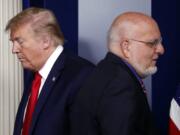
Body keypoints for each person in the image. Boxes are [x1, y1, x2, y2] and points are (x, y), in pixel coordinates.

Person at [70, 12, 164, 135]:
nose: (161, 49)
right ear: (126, 47)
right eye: (152, 43)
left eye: (160, 42)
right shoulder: (120, 86)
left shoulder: (105, 72)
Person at [5, 7, 94, 135]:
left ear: (45, 41)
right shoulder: (35, 73)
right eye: (13, 42)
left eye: (19, 41)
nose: (14, 49)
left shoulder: (82, 76)